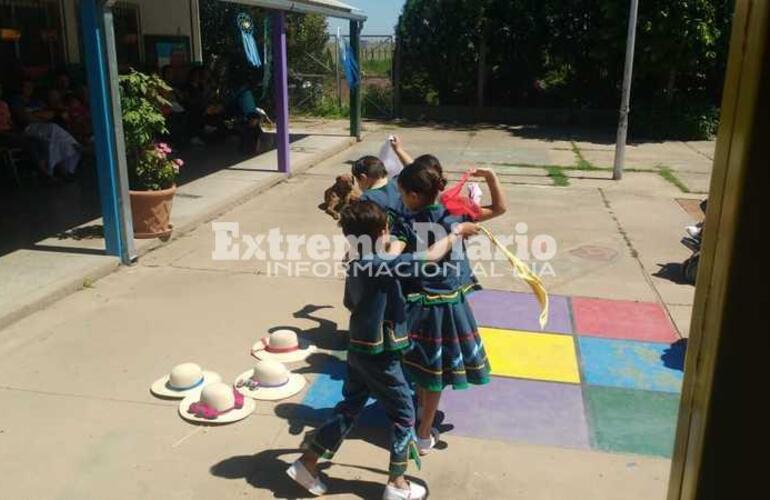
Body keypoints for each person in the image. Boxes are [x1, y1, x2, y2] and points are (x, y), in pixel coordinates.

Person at [287, 200, 480, 500]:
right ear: (381, 231)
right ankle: (397, 483)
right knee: (404, 414)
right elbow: (430, 256)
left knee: (349, 409)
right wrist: (456, 233)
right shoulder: (383, 265)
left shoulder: (356, 261)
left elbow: (352, 300)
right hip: (382, 356)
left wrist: (391, 245)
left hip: (358, 351)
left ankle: (307, 462)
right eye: (387, 228)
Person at [390, 157, 507, 455]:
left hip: (419, 307)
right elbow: (500, 209)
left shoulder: (408, 222)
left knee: (422, 370)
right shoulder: (454, 217)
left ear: (414, 196)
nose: (401, 199)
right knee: (433, 375)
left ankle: (422, 428)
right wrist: (491, 176)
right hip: (447, 307)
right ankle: (424, 432)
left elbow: (394, 255)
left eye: (403, 193)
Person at [9, 79, 81, 180]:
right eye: (25, 87)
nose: (28, 89)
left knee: (55, 138)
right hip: (28, 129)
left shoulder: (36, 101)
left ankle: (61, 169)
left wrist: (34, 115)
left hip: (43, 127)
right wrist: (39, 116)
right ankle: (65, 163)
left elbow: (50, 114)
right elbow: (24, 118)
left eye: (30, 87)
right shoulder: (16, 101)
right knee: (54, 129)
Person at [0, 83, 54, 183]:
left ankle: (46, 169)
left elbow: (10, 121)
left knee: (39, 140)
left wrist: (17, 130)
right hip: (2, 135)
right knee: (29, 144)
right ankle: (44, 173)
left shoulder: (3, 104)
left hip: (11, 131)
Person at [352, 155, 408, 224]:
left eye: (357, 181)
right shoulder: (400, 181)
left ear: (363, 178)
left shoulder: (367, 198)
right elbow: (412, 167)